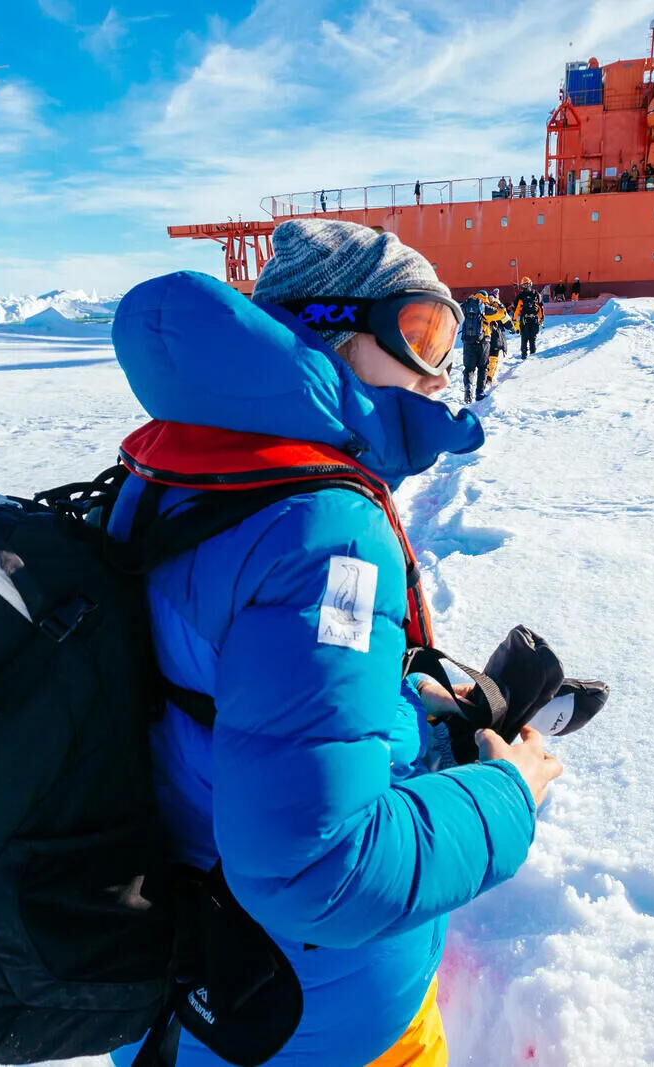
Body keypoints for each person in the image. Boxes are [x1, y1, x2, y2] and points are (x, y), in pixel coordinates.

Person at [108, 218, 562, 1067]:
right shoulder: (326, 531)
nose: (440, 370)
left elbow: (220, 694)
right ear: (333, 330)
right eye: (422, 330)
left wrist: (402, 709)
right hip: (309, 1019)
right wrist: (508, 792)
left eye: (449, 336)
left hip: (185, 988)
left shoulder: (185, 465)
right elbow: (320, 867)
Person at [459, 289, 492, 404]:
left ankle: (468, 386)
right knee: (483, 368)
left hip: (468, 342)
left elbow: (457, 314)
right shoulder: (485, 306)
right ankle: (479, 393)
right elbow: (499, 314)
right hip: (483, 343)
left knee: (469, 368)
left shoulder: (466, 305)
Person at [512, 276, 543, 357]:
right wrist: (514, 320)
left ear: (530, 284)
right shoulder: (520, 296)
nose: (526, 286)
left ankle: (533, 354)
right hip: (524, 319)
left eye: (527, 284)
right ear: (522, 286)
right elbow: (517, 309)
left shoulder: (536, 294)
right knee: (524, 337)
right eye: (524, 285)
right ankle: (524, 354)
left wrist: (541, 318)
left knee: (533, 337)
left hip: (534, 319)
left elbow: (540, 307)